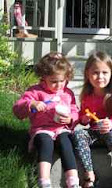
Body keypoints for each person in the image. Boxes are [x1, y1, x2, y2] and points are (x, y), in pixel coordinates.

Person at [13, 52, 80, 188]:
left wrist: (70, 119)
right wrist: (31, 104)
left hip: (61, 129)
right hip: (42, 129)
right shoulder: (35, 92)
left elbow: (75, 110)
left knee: (66, 143)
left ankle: (73, 180)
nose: (59, 85)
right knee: (45, 142)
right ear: (43, 77)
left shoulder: (67, 93)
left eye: (62, 81)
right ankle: (44, 181)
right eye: (53, 81)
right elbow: (17, 109)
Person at [73, 51, 112, 188]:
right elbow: (82, 119)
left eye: (105, 72)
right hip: (94, 132)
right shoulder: (87, 95)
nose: (100, 77)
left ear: (111, 74)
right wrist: (84, 119)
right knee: (78, 134)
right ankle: (89, 175)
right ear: (88, 74)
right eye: (95, 72)